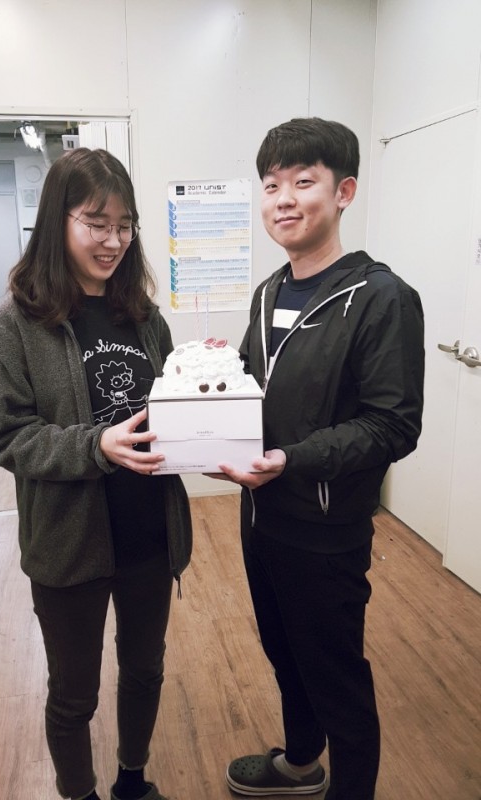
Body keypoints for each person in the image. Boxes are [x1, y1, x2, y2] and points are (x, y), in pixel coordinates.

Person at [214, 118, 424, 799]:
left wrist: (291, 459)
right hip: (259, 517)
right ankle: (300, 765)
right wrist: (214, 395)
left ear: (344, 192)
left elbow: (392, 426)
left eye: (303, 181)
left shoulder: (381, 298)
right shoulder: (268, 292)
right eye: (271, 184)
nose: (283, 199)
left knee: (335, 676)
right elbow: (251, 387)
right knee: (284, 654)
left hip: (326, 531)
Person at [0, 148, 192, 800]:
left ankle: (132, 780)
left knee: (145, 671)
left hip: (149, 532)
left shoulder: (144, 317)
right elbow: (5, 436)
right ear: (57, 222)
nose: (113, 241)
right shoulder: (15, 324)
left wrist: (209, 414)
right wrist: (97, 445)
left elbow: (171, 409)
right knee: (73, 694)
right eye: (96, 223)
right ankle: (79, 793)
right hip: (69, 544)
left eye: (124, 225)